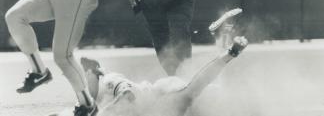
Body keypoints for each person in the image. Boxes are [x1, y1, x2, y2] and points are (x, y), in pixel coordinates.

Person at [80, 35, 248, 116]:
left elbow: (128, 95)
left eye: (86, 76)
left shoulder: (108, 81)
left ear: (93, 72)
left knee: (192, 94)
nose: (85, 86)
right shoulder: (94, 102)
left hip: (160, 97)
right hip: (162, 106)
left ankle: (230, 53)